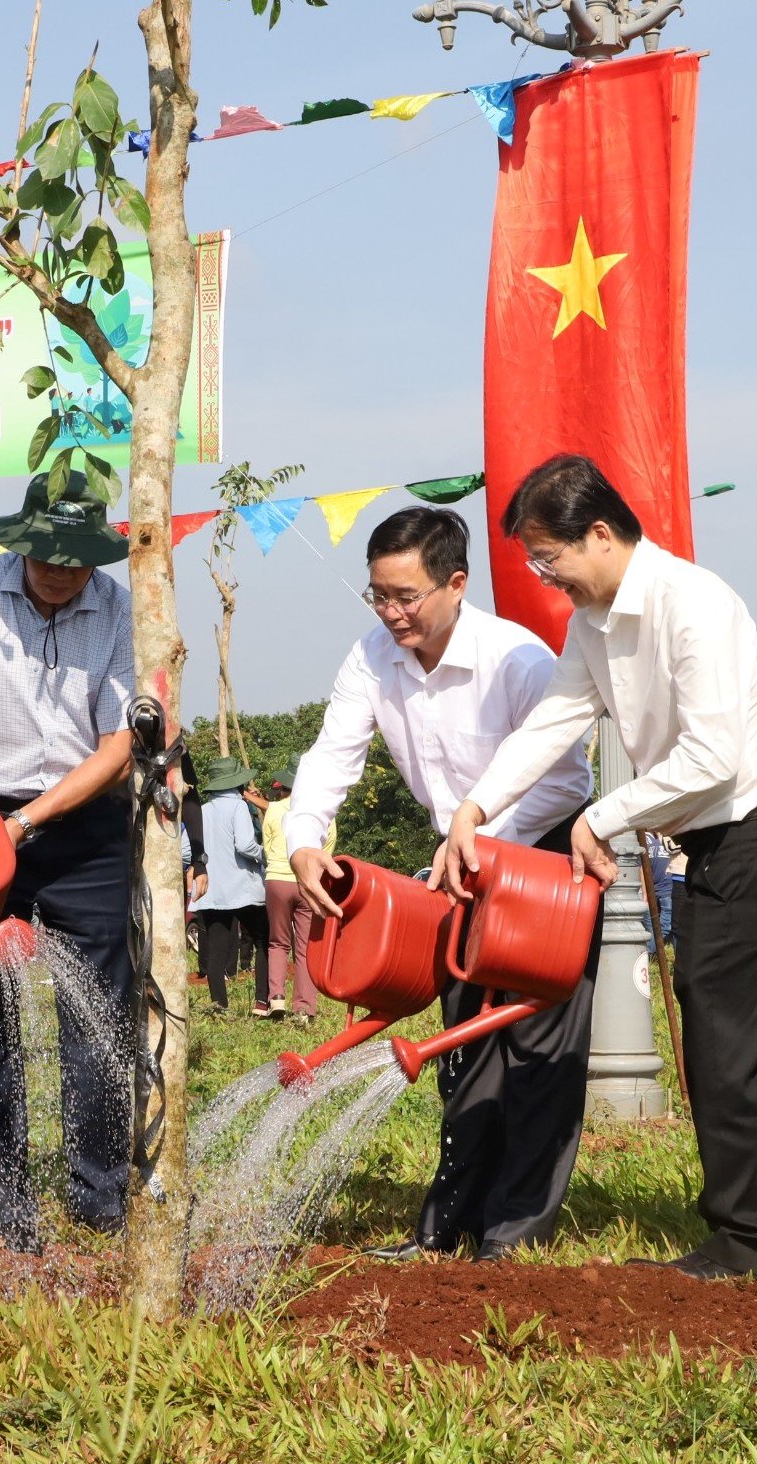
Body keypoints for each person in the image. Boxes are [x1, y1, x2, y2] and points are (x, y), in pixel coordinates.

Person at [442, 455, 757, 1280]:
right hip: (718, 840)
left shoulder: (695, 605)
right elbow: (555, 721)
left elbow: (711, 757)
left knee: (717, 1033)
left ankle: (741, 1237)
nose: (546, 577)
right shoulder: (593, 621)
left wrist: (604, 816)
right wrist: (475, 807)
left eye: (551, 557)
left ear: (601, 534)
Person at [288, 505, 596, 1260]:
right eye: (377, 596)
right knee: (461, 1049)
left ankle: (512, 1236)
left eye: (405, 597)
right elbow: (333, 755)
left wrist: (481, 844)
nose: (391, 613)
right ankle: (445, 1230)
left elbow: (566, 780)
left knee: (534, 1049)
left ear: (455, 584)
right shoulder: (370, 658)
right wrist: (302, 840)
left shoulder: (516, 660)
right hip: (456, 868)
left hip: (541, 861)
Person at [0, 472, 137, 1251]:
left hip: (81, 820)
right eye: (45, 554)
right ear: (22, 540)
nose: (59, 572)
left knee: (98, 1010)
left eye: (75, 559)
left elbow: (117, 743)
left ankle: (101, 1196)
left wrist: (29, 820)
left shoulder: (115, 605)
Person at [183, 757, 268, 1015]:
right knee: (264, 940)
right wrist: (265, 854)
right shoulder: (238, 807)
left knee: (216, 950)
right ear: (236, 783)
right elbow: (244, 844)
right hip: (243, 889)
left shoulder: (202, 810)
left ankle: (219, 1006)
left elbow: (186, 850)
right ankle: (262, 1002)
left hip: (212, 890)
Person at [259, 766, 326, 1024]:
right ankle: (305, 1007)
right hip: (307, 881)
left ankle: (276, 997)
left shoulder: (274, 809)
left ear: (285, 788)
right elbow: (328, 845)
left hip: (277, 878)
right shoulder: (321, 810)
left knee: (278, 942)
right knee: (305, 947)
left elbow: (267, 844)